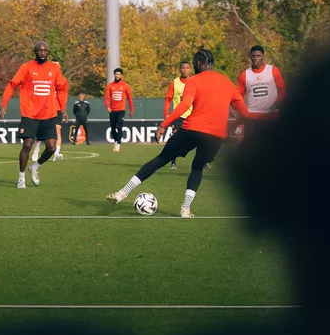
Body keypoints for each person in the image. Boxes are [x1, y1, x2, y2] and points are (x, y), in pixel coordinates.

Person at [106, 49, 254, 217]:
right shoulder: (227, 83)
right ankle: (185, 209)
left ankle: (122, 193)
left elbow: (184, 106)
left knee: (161, 159)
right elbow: (246, 114)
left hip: (192, 129)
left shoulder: (194, 80)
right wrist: (232, 129)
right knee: (198, 167)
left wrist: (164, 124)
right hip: (216, 136)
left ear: (198, 64)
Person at [0, 41, 68, 188]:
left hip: (48, 114)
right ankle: (21, 177)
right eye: (40, 50)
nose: (43, 53)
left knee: (51, 148)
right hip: (30, 113)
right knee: (27, 145)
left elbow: (62, 87)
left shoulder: (54, 69)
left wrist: (62, 107)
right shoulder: (26, 68)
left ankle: (35, 166)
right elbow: (12, 84)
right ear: (35, 52)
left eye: (45, 51)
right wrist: (4, 103)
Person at [236, 45, 286, 142]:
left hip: (271, 116)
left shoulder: (273, 71)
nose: (256, 58)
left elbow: (282, 90)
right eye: (253, 56)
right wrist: (242, 111)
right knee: (250, 148)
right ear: (250, 56)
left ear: (263, 56)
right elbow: (238, 96)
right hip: (252, 117)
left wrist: (278, 103)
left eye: (258, 56)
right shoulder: (245, 75)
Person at [33, 59, 66, 162]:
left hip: (57, 109)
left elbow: (64, 95)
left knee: (57, 130)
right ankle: (37, 148)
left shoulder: (63, 80)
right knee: (41, 131)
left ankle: (56, 153)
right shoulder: (46, 78)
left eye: (58, 65)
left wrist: (63, 109)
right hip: (45, 109)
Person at [162, 61, 193, 170]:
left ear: (191, 69)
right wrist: (166, 114)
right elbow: (168, 99)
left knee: (199, 138)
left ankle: (203, 161)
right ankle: (173, 162)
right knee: (175, 139)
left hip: (193, 115)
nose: (185, 70)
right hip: (178, 115)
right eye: (183, 68)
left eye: (187, 68)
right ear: (180, 70)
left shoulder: (195, 82)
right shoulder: (174, 83)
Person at [105, 68, 134, 152]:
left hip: (121, 110)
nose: (117, 76)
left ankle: (118, 144)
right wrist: (108, 107)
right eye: (116, 74)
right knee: (113, 128)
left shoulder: (125, 85)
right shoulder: (110, 85)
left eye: (119, 74)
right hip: (112, 110)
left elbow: (130, 99)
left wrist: (131, 111)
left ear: (121, 75)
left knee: (119, 126)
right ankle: (116, 140)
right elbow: (106, 98)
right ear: (114, 75)